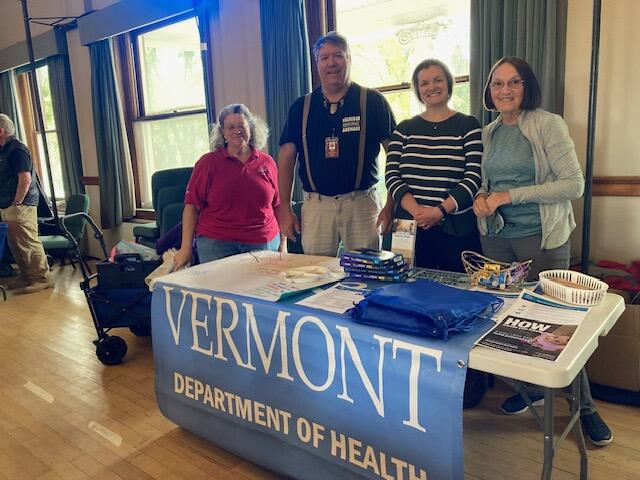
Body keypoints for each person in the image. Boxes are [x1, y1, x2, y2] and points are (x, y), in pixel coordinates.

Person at [472, 56, 612, 446]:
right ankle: (532, 389)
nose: (504, 90)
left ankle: (585, 408)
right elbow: (488, 182)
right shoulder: (490, 132)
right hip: (497, 239)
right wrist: (484, 198)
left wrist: (508, 195)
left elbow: (573, 184)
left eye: (513, 83)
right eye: (497, 83)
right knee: (507, 321)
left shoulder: (548, 124)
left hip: (543, 239)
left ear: (526, 86)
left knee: (559, 328)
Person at [277, 31, 396, 256]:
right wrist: (285, 207)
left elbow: (396, 155)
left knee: (366, 275)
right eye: (324, 58)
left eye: (338, 56)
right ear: (317, 64)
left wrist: (391, 204)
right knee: (315, 275)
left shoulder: (373, 101)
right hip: (316, 206)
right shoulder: (301, 107)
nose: (331, 63)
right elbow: (286, 158)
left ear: (349, 59)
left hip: (362, 204)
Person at [386, 59, 482, 271]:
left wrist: (439, 210)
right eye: (424, 83)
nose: (432, 87)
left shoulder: (468, 125)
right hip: (409, 228)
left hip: (455, 228)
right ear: (418, 90)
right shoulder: (404, 129)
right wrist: (418, 211)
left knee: (456, 292)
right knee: (409, 290)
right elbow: (392, 176)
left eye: (438, 80)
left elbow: (474, 176)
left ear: (448, 83)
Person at [174, 104, 281, 269]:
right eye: (230, 127)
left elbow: (278, 206)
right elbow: (191, 207)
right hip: (216, 243)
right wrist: (186, 248)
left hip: (262, 242)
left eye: (241, 126)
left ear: (251, 128)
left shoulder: (267, 163)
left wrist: (284, 243)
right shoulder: (207, 163)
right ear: (222, 132)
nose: (237, 131)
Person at [0, 113, 53, 294]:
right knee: (15, 243)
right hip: (7, 203)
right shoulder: (4, 149)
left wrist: (17, 201)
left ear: (1, 131)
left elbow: (25, 178)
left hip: (20, 203)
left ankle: (42, 278)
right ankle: (25, 276)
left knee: (28, 241)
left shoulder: (17, 149)